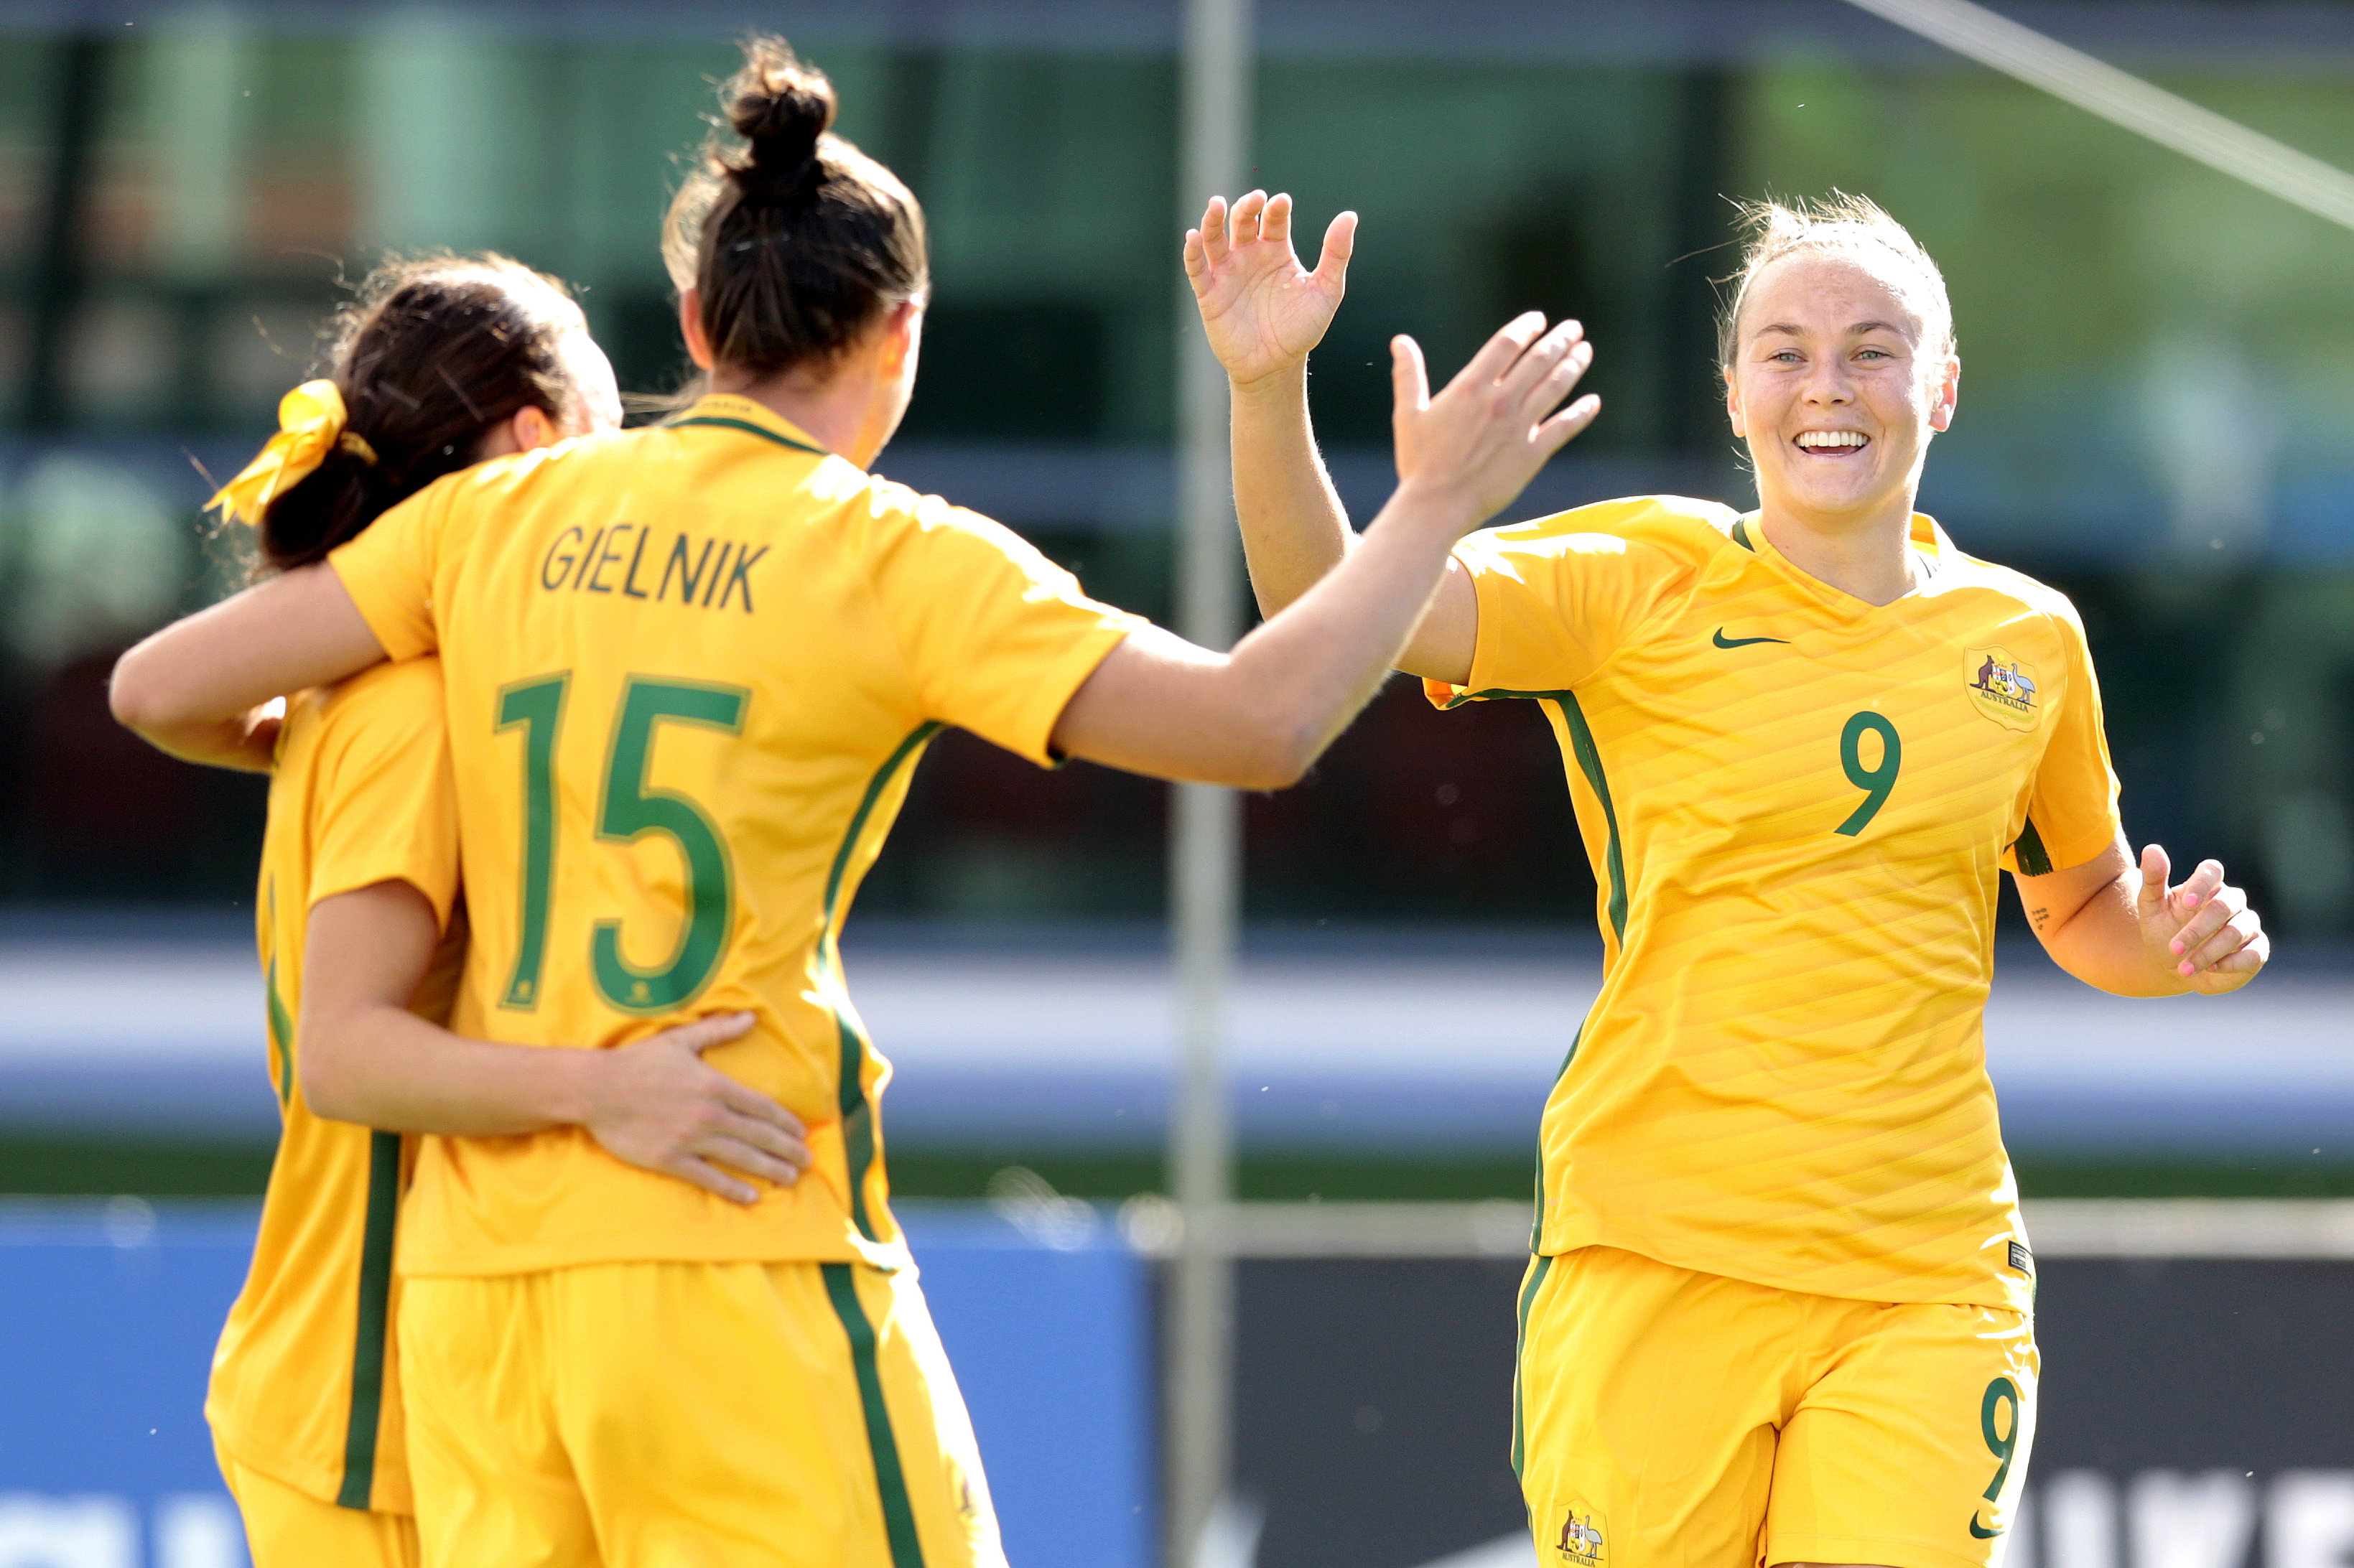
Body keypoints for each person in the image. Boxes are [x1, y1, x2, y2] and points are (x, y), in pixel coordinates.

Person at [108, 36, 1598, 1568]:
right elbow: (1263, 721)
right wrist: (1427, 506)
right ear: (903, 335)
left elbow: (157, 689)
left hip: (479, 1302)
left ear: (693, 322)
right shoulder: (891, 556)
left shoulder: (496, 514)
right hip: (726, 1233)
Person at [1183, 187, 2267, 1568]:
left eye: (1873, 350)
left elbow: (2080, 909)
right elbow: (1323, 610)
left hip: (1925, 1279)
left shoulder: (2028, 640)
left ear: (1940, 388)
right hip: (1655, 1257)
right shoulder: (1640, 575)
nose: (1829, 384)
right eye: (1787, 350)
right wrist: (1267, 386)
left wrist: (2170, 947)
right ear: (1734, 388)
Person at [182, 254, 812, 1568]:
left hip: (437, 1387)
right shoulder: (412, 705)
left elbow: (162, 697)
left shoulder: (387, 683)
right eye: (605, 421)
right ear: (534, 446)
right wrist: (607, 1090)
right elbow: (347, 1056)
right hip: (368, 1415)